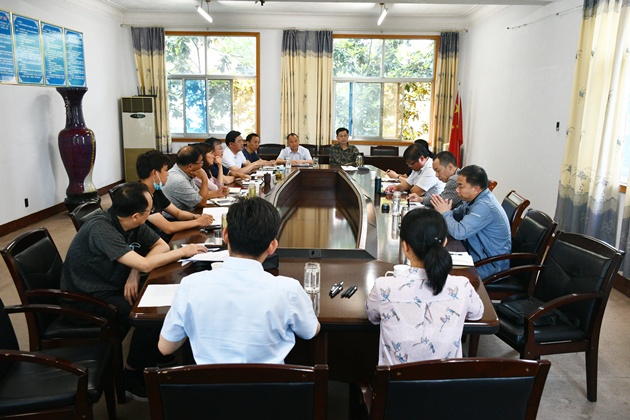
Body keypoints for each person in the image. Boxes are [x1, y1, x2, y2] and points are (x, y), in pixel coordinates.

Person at [60, 182, 208, 399]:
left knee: (165, 292)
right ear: (137, 216)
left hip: (114, 281)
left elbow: (161, 246)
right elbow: (148, 262)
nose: (152, 213)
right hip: (88, 296)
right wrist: (185, 251)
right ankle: (132, 374)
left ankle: (156, 354)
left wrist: (134, 270)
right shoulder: (101, 228)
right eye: (149, 211)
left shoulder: (130, 220)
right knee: (149, 316)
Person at [158, 197, 321, 364]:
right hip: (268, 381)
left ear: (226, 235)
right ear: (272, 246)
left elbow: (166, 347)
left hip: (208, 381)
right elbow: (310, 331)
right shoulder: (288, 290)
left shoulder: (190, 285)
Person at [366, 208, 484, 365]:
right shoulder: (462, 286)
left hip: (397, 381)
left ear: (405, 246)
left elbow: (372, 317)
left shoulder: (384, 287)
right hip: (446, 380)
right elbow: (477, 313)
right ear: (444, 243)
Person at [431, 165, 511, 279]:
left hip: (490, 266)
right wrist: (445, 211)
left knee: (439, 269)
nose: (456, 190)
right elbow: (456, 215)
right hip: (474, 254)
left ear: (475, 189)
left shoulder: (484, 206)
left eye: (460, 186)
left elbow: (459, 233)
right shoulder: (474, 199)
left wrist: (445, 213)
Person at [136, 150, 213, 242]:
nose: (168, 174)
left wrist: (197, 217)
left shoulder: (156, 191)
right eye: (165, 170)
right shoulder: (140, 197)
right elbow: (168, 228)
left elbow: (178, 213)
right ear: (154, 173)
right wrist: (197, 222)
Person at [162, 146, 229, 215]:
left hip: (187, 214)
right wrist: (204, 179)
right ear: (190, 166)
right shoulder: (179, 180)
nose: (202, 164)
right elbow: (201, 203)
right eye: (201, 162)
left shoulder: (184, 171)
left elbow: (197, 195)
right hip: (175, 219)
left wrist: (217, 193)